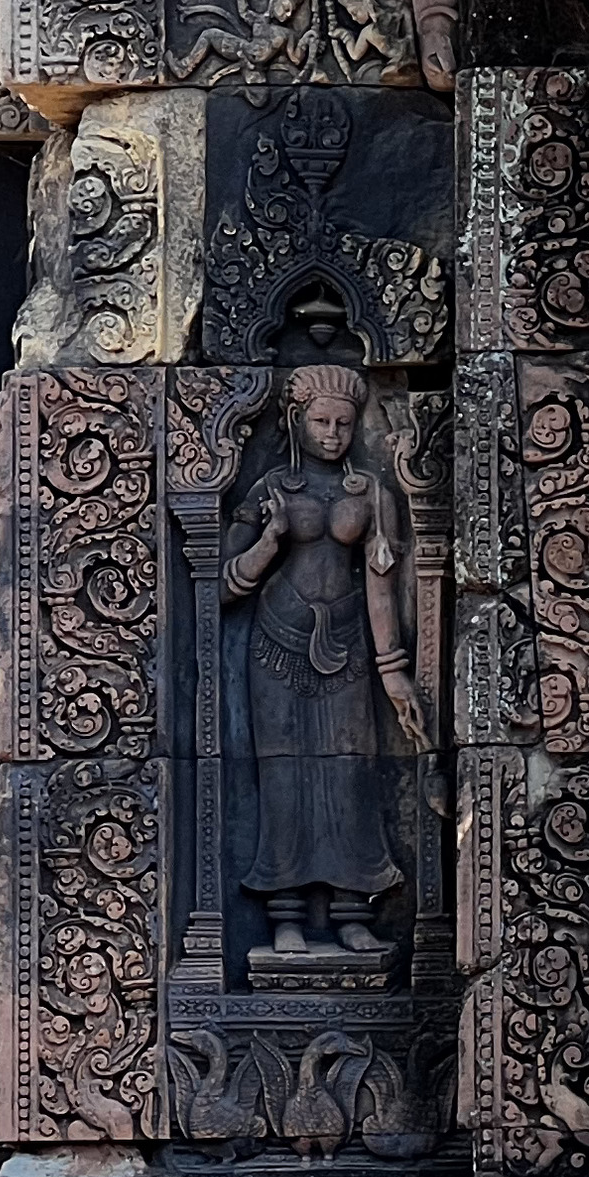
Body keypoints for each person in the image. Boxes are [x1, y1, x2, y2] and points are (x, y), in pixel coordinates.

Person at [224, 364, 421, 966]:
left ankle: (352, 911)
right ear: (296, 421)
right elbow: (223, 589)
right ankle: (284, 913)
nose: (333, 434)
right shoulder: (269, 492)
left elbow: (380, 588)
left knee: (351, 778)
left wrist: (394, 672)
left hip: (350, 652)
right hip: (276, 650)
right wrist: (269, 541)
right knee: (284, 780)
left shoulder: (371, 497)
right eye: (321, 422)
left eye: (344, 423)